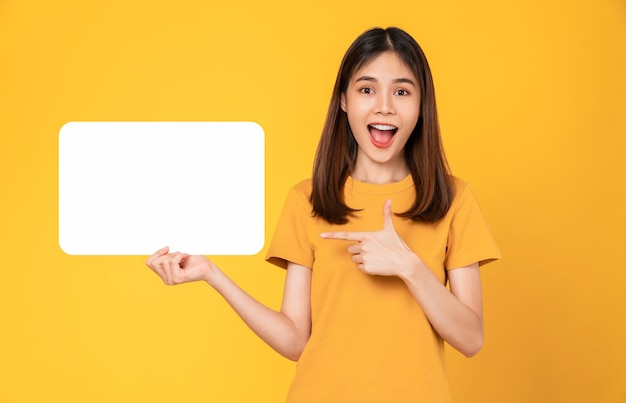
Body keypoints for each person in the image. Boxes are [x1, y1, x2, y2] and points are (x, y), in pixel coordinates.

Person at [146, 26, 500, 402]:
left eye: (401, 91)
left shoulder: (453, 199)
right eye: (367, 89)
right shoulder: (307, 200)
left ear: (421, 103)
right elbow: (296, 340)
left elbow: (471, 338)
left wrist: (408, 266)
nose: (384, 105)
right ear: (344, 100)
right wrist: (212, 275)